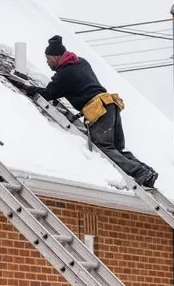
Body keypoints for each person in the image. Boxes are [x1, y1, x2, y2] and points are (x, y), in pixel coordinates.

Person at [27, 36, 158, 188]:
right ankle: (147, 172)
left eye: (48, 58)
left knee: (103, 147)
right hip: (110, 104)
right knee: (116, 148)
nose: (47, 62)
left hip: (98, 109)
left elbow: (48, 94)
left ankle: (139, 172)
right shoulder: (81, 62)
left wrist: (30, 89)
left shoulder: (64, 74)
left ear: (56, 57)